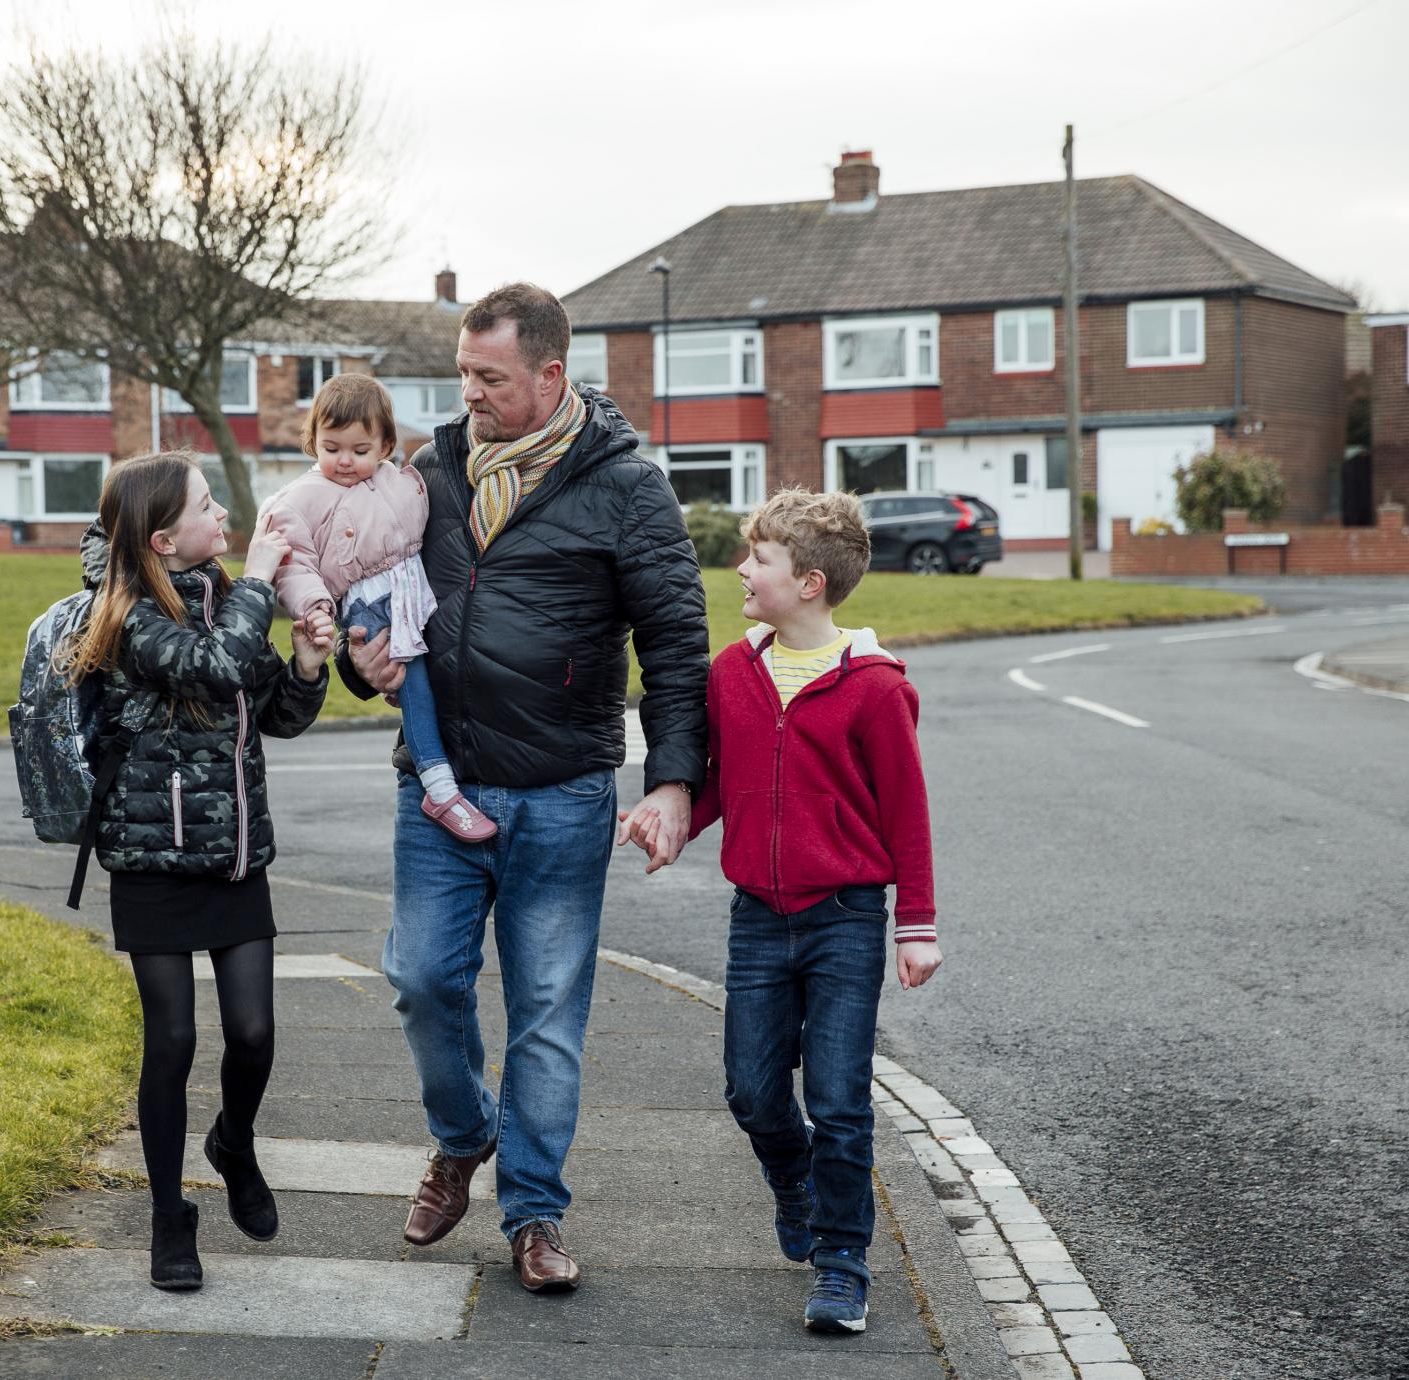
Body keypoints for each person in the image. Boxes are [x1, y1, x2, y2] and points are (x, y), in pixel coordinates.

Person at [338, 283, 709, 1293]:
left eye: (489, 378)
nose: (470, 396)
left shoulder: (626, 487)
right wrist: (355, 660)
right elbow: (369, 600)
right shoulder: (423, 476)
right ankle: (463, 1135)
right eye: (462, 375)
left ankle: (534, 1214)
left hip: (561, 793)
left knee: (546, 1011)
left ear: (550, 375)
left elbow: (677, 644)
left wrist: (672, 780)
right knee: (420, 978)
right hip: (439, 786)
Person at [657, 486, 943, 1334]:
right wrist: (672, 816)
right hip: (757, 919)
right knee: (750, 1090)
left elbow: (908, 812)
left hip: (847, 918)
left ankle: (843, 1264)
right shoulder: (732, 673)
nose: (743, 569)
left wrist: (916, 925)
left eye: (762, 559)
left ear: (810, 582)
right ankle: (796, 1183)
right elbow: (722, 782)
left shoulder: (875, 689)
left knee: (841, 1100)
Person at [66, 451, 331, 1291]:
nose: (225, 518)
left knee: (253, 1032)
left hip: (232, 854)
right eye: (209, 507)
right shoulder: (124, 614)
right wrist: (259, 583)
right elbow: (210, 666)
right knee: (172, 1040)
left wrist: (308, 663)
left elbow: (270, 714)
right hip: (151, 857)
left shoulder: (221, 595)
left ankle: (235, 1143)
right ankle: (167, 1219)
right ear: (162, 538)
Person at [260, 373, 494, 842]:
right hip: (369, 599)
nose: (344, 461)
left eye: (359, 450)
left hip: (411, 590)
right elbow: (294, 563)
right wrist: (316, 606)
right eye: (331, 448)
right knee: (415, 680)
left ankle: (458, 762)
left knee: (445, 666)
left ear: (386, 444)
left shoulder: (401, 478)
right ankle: (437, 783)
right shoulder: (299, 498)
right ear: (313, 442)